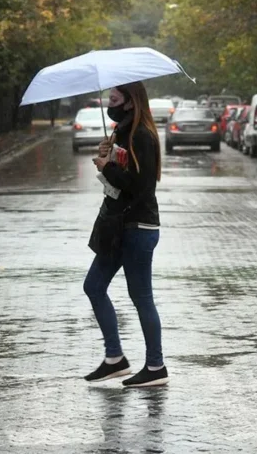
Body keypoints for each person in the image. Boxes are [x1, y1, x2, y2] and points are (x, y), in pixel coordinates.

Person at [83, 82, 168, 388]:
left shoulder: (142, 135)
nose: (110, 102)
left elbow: (141, 186)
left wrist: (107, 167)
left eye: (115, 98)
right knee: (93, 286)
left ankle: (156, 366)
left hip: (138, 228)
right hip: (119, 226)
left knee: (141, 296)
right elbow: (120, 181)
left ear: (131, 102)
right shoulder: (122, 132)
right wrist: (106, 156)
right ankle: (114, 359)